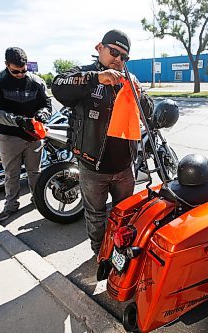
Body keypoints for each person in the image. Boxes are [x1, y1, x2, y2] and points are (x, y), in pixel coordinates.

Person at [51, 29, 153, 255]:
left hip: (125, 167)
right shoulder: (85, 74)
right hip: (92, 167)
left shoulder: (130, 79)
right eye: (114, 52)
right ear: (100, 48)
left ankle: (121, 253)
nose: (118, 59)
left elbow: (149, 113)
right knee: (96, 216)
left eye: (124, 56)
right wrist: (96, 78)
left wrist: (140, 96)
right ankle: (99, 253)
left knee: (126, 214)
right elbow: (57, 85)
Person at [0, 47, 52, 222]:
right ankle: (10, 206)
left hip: (34, 136)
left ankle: (38, 200)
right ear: (6, 65)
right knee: (11, 174)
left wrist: (44, 114)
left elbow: (47, 103)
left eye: (24, 70)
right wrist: (18, 120)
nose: (20, 74)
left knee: (35, 172)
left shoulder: (37, 81)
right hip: (10, 136)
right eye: (15, 71)